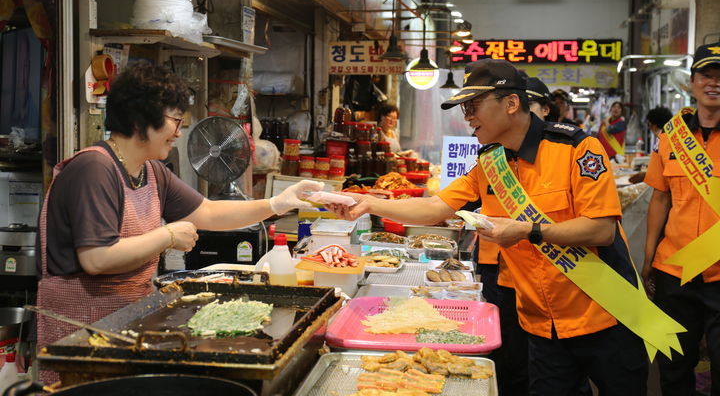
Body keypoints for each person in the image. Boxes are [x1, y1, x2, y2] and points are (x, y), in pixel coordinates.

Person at [328, 59, 650, 395]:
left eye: (474, 105)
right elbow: (436, 206)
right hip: (542, 324)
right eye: (464, 106)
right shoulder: (490, 162)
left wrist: (529, 230)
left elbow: (601, 230)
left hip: (606, 313)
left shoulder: (577, 148)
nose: (467, 115)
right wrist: (366, 203)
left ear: (511, 103)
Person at [36, 63, 323, 383]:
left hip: (127, 319)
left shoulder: (152, 171)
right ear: (139, 120)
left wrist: (276, 204)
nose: (180, 131)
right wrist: (167, 235)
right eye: (175, 120)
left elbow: (209, 213)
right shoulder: (94, 169)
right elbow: (97, 258)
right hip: (81, 330)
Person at [643, 43, 720, 395]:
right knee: (674, 368)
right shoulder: (671, 136)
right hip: (675, 271)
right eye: (706, 75)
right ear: (691, 82)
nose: (713, 83)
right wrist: (648, 260)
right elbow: (660, 198)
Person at [628, 107, 672, 184]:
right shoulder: (672, 138)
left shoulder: (663, 141)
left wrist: (645, 176)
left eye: (649, 125)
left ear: (653, 126)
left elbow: (664, 173)